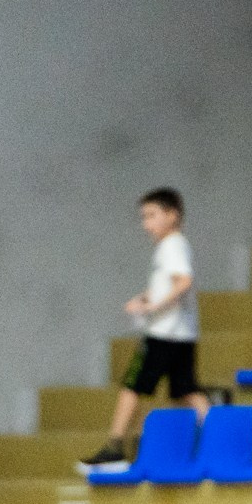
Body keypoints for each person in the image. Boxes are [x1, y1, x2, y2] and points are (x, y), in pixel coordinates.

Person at [81, 188, 211, 470]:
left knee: (131, 386)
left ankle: (115, 447)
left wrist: (153, 308)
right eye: (144, 217)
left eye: (152, 216)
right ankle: (217, 440)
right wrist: (144, 298)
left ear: (172, 215)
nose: (146, 224)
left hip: (164, 334)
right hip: (183, 334)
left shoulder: (171, 246)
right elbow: (171, 285)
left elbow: (183, 282)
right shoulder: (177, 245)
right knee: (186, 391)